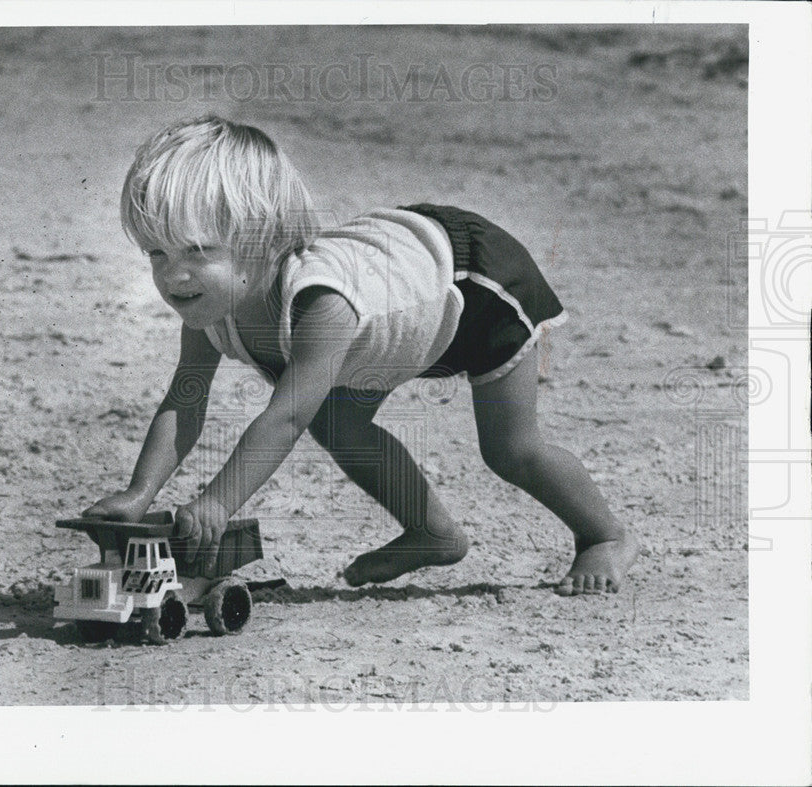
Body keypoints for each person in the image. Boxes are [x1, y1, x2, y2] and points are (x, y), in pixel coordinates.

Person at [82, 115, 640, 596]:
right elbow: (185, 398)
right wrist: (139, 494)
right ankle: (433, 533)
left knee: (511, 450)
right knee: (338, 419)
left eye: (198, 251)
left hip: (474, 288)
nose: (172, 275)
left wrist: (215, 504)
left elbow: (286, 414)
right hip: (389, 316)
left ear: (259, 237)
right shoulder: (208, 309)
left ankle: (604, 535)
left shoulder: (322, 304)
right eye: (156, 252)